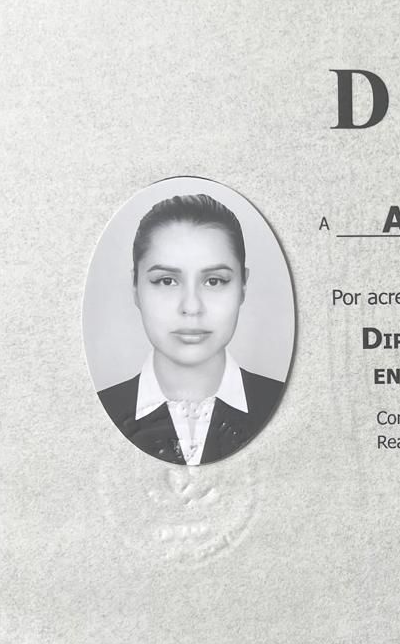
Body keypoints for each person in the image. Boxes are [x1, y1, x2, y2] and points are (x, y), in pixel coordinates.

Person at [97, 194, 284, 464]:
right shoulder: (98, 411)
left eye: (214, 281)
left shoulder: (284, 402)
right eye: (166, 281)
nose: (192, 307)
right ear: (136, 288)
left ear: (243, 286)